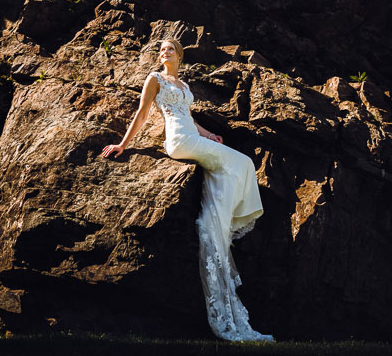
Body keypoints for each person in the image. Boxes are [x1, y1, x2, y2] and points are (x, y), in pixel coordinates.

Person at [102, 38, 273, 342]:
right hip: (178, 142)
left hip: (192, 136)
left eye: (169, 49)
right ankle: (226, 221)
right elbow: (142, 114)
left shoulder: (183, 84)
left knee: (228, 167)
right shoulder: (154, 79)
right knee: (244, 163)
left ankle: (215, 221)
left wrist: (212, 135)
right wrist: (122, 144)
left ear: (179, 55)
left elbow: (190, 119)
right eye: (161, 50)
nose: (164, 53)